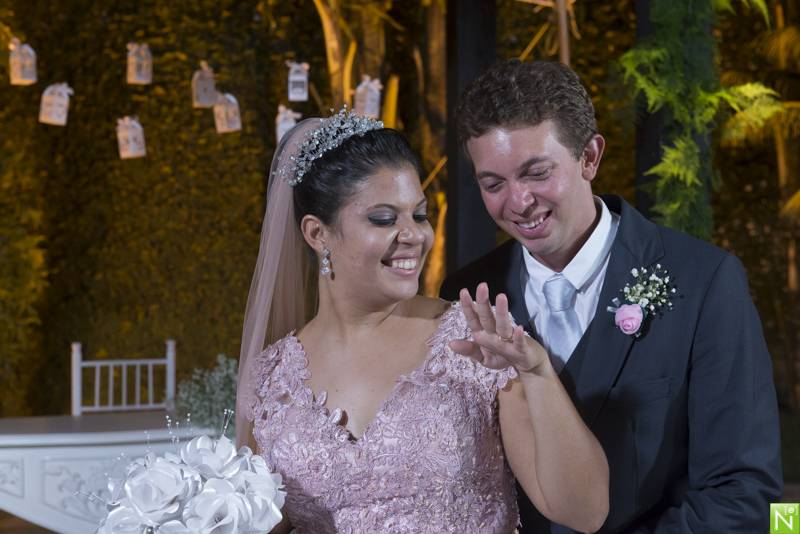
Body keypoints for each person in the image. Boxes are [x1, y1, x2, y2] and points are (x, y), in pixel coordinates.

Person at [439, 58, 783, 534]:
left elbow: (743, 494)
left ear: (590, 157)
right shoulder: (464, 296)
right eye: (493, 184)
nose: (517, 203)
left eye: (537, 173)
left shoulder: (705, 281)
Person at [235, 108, 610, 534]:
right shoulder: (270, 381)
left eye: (418, 214)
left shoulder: (477, 342)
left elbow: (585, 511)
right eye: (383, 218)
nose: (415, 235)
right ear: (318, 234)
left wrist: (537, 371)